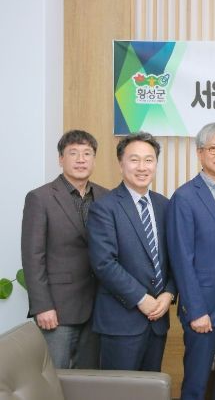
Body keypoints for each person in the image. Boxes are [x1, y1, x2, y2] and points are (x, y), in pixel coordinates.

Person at [167, 123, 215, 400]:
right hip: (203, 309)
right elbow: (181, 259)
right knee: (196, 385)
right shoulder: (184, 197)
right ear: (200, 153)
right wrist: (196, 310)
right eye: (213, 148)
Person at [87, 132, 174, 371]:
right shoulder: (104, 207)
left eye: (149, 160)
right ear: (121, 164)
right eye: (134, 160)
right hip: (120, 322)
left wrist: (168, 294)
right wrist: (141, 299)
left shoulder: (164, 205)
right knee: (120, 389)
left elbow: (175, 257)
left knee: (151, 387)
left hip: (158, 321)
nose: (142, 167)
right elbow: (104, 263)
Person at [21, 130, 108, 369]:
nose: (81, 159)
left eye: (87, 153)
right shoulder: (40, 198)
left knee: (89, 378)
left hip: (98, 307)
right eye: (73, 153)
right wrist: (42, 306)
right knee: (55, 376)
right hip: (57, 309)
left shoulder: (105, 196)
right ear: (61, 159)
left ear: (94, 159)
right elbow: (33, 257)